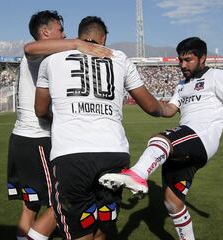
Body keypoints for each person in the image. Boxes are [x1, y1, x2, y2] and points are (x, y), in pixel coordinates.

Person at [99, 37, 223, 240]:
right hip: (187, 143)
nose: (182, 65)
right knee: (172, 202)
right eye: (180, 60)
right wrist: (149, 101)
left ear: (202, 58)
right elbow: (169, 110)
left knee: (160, 140)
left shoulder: (217, 76)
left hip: (202, 136)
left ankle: (137, 174)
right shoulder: (181, 85)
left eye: (188, 60)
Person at [35, 16, 162, 240]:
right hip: (113, 152)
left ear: (79, 35)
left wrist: (63, 116)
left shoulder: (52, 59)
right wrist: (170, 109)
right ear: (104, 38)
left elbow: (41, 110)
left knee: (79, 229)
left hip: (71, 155)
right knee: (104, 224)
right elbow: (152, 107)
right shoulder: (120, 58)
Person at [7, 10, 111, 240]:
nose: (64, 34)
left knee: (30, 207)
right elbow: (29, 48)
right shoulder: (36, 54)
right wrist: (77, 44)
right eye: (60, 30)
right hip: (38, 140)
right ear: (45, 32)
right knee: (65, 200)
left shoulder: (48, 58)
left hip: (22, 140)